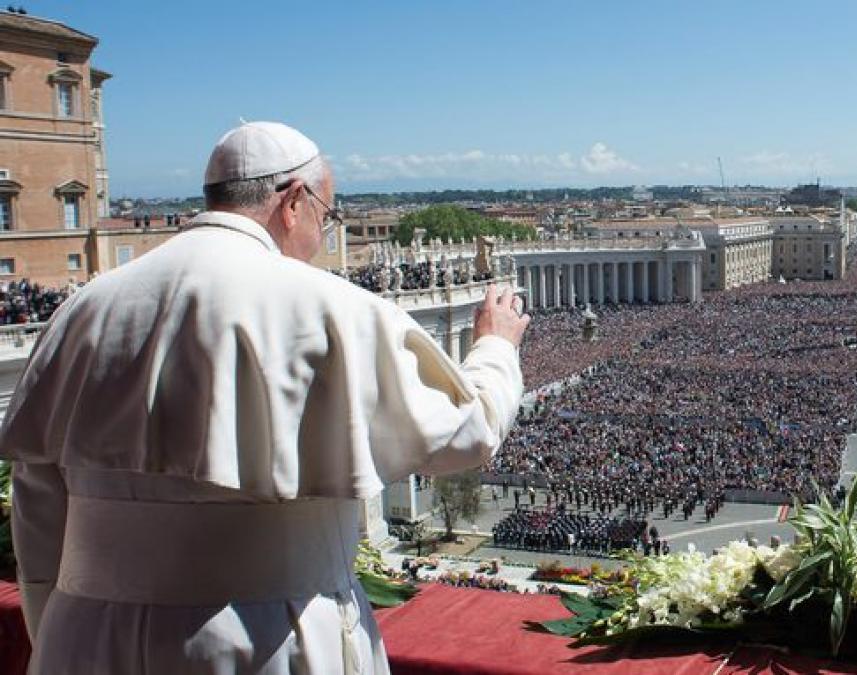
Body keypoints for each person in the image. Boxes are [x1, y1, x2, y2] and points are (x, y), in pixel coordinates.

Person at [0, 121, 530, 674]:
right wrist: (495, 347)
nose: (323, 235)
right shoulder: (333, 309)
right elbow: (467, 434)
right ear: (293, 202)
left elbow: (37, 504)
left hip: (85, 641)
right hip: (267, 639)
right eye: (327, 215)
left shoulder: (82, 310)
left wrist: (61, 629)